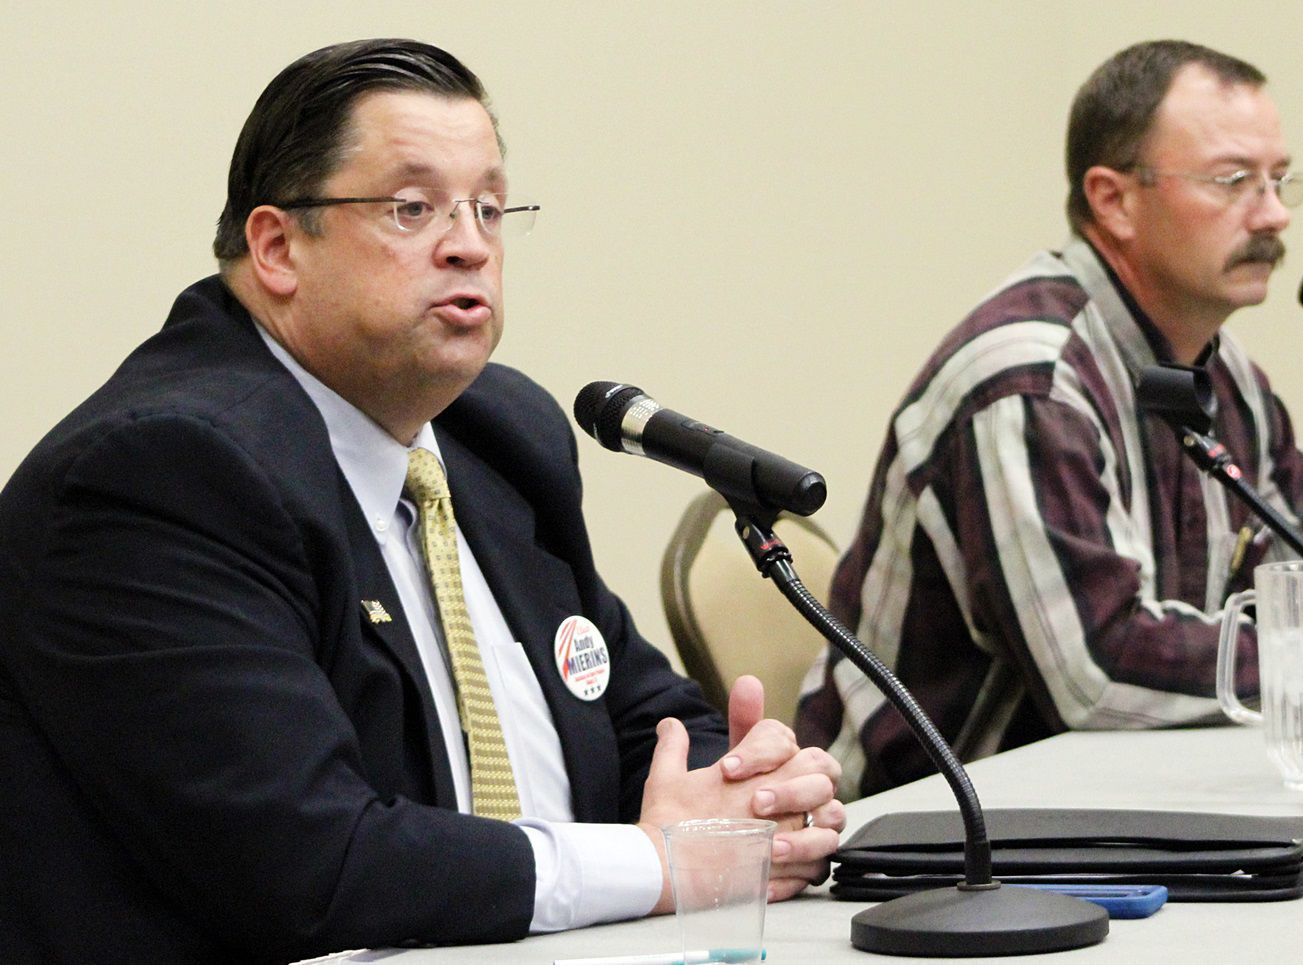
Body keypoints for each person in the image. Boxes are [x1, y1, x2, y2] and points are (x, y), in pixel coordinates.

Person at [0, 39, 843, 963]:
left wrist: (747, 795)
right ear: (277, 246)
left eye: (488, 205)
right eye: (413, 208)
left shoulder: (494, 434)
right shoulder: (162, 475)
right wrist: (655, 865)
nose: (470, 243)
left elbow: (632, 710)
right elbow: (311, 863)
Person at [794, 39, 1303, 801]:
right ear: (1113, 199)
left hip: (1123, 812)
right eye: (1233, 180)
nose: (1273, 214)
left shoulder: (1223, 374)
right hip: (927, 838)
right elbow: (1100, 670)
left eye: (1279, 180)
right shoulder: (1027, 382)